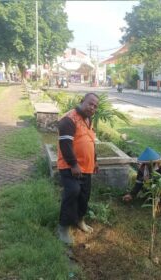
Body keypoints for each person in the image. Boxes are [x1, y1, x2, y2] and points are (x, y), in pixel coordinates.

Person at [57, 93, 99, 245]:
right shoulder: (69, 119)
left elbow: (90, 141)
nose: (92, 108)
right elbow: (65, 145)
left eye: (95, 106)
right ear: (82, 101)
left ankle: (79, 220)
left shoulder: (88, 119)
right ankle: (63, 227)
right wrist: (74, 164)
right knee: (73, 192)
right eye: (90, 104)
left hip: (86, 168)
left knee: (84, 195)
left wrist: (95, 160)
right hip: (70, 166)